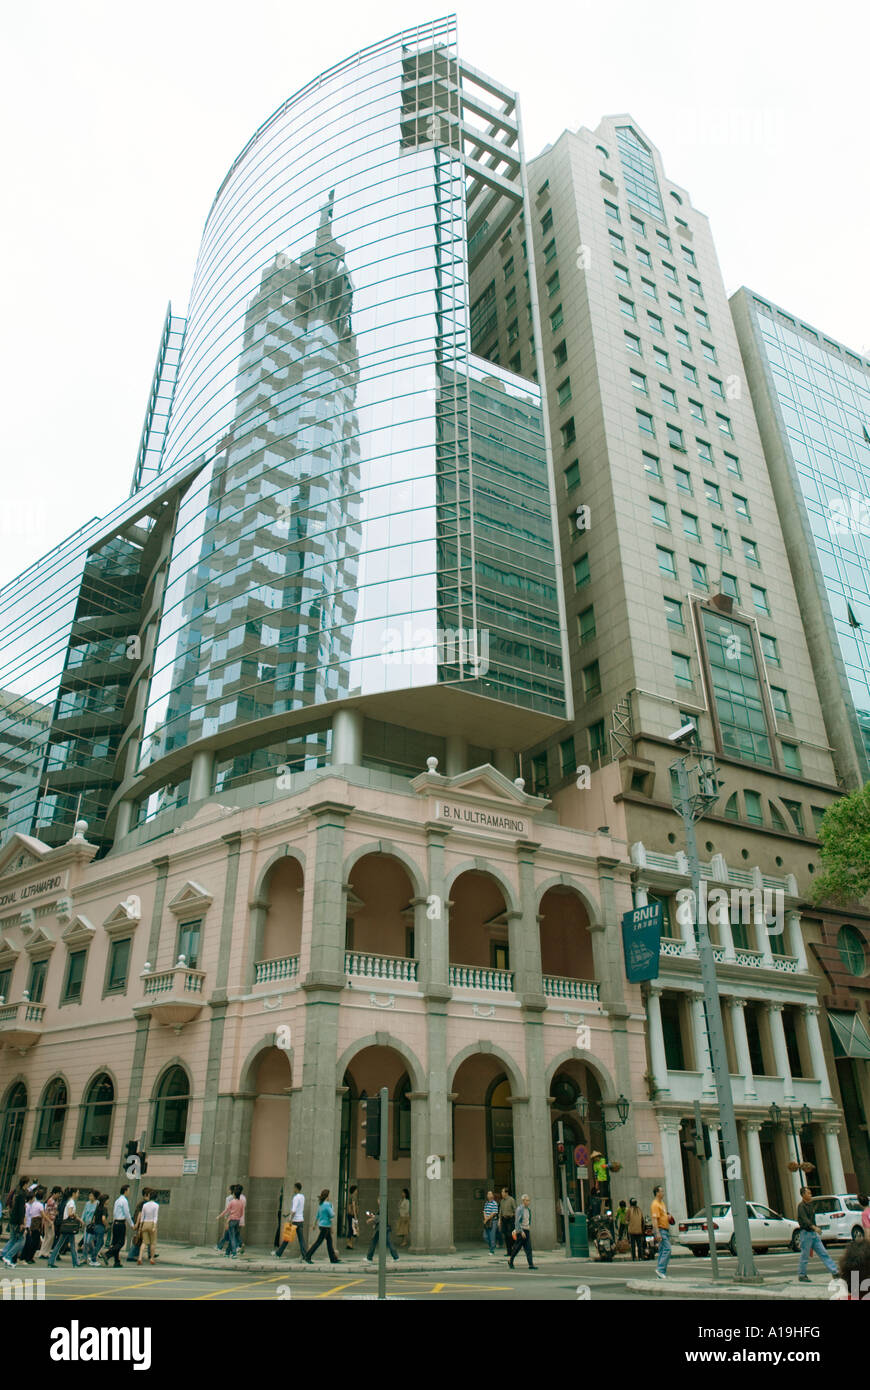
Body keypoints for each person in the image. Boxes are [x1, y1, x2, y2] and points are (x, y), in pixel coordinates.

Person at [796, 1186, 837, 1282]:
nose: (810, 1195)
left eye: (810, 1193)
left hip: (813, 1234)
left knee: (823, 1253)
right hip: (805, 1233)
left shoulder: (811, 1205)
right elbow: (805, 1220)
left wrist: (815, 1229)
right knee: (805, 1256)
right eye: (808, 1193)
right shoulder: (801, 1206)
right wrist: (814, 1227)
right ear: (803, 1195)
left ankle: (834, 1272)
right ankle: (802, 1275)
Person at [99, 1185, 133, 1267]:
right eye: (128, 1190)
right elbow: (127, 1214)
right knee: (121, 1243)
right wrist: (132, 1224)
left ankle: (117, 1261)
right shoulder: (124, 1201)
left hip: (116, 1223)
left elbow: (114, 1212)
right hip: (121, 1223)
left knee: (115, 1243)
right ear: (125, 1191)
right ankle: (107, 1254)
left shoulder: (117, 1200)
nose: (129, 1192)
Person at [304, 1190, 341, 1264]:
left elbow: (317, 1215)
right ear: (327, 1196)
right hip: (325, 1226)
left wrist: (314, 1224)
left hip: (322, 1225)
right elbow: (332, 1215)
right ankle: (307, 1256)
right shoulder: (327, 1204)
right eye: (329, 1195)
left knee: (329, 1242)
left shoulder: (321, 1204)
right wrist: (332, 1208)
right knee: (318, 1242)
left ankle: (333, 1258)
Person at [1, 1176, 31, 1266]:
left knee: (13, 1239)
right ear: (25, 1184)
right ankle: (8, 1256)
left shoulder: (16, 1192)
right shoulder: (22, 1194)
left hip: (13, 1219)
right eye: (28, 1183)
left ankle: (3, 1254)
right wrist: (22, 1223)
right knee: (21, 1240)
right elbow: (21, 1210)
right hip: (18, 1221)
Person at [48, 1188, 81, 1268]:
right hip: (69, 1226)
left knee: (60, 1244)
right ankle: (75, 1263)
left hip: (65, 1225)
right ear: (73, 1193)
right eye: (77, 1193)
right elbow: (70, 1213)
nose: (78, 1194)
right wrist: (78, 1218)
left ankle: (51, 1261)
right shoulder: (71, 1202)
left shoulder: (69, 1201)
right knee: (71, 1244)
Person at [275, 1181, 308, 1260]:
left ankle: (279, 1253)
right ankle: (305, 1255)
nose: (293, 1189)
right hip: (301, 1220)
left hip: (295, 1220)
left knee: (287, 1238)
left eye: (294, 1188)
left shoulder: (296, 1198)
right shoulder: (302, 1197)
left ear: (296, 1188)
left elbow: (294, 1210)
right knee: (301, 1239)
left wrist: (290, 1219)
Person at [508, 1193, 537, 1270]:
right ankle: (510, 1260)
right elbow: (517, 1221)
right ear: (523, 1201)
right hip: (521, 1231)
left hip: (527, 1230)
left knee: (528, 1248)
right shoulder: (519, 1209)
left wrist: (528, 1227)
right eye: (527, 1200)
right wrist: (521, 1231)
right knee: (517, 1248)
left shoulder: (528, 1210)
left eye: (529, 1200)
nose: (528, 1202)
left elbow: (528, 1220)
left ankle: (531, 1264)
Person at [651, 1185, 672, 1280]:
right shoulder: (655, 1204)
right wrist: (657, 1232)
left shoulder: (662, 1203)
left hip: (665, 1229)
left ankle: (660, 1272)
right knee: (667, 1249)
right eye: (661, 1191)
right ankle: (660, 1269)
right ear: (657, 1193)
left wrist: (668, 1217)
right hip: (661, 1230)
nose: (663, 1193)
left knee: (662, 1250)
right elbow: (654, 1219)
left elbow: (664, 1215)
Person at [21, 1186, 46, 1264]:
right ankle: (27, 1257)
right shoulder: (39, 1205)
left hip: (30, 1223)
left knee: (30, 1241)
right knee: (33, 1242)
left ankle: (27, 1257)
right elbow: (42, 1216)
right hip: (34, 1224)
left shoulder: (32, 1204)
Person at [217, 1189, 244, 1258]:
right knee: (232, 1236)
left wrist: (219, 1216)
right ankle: (227, 1252)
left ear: (234, 1195)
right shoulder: (241, 1203)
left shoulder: (232, 1202)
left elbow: (226, 1211)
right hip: (237, 1221)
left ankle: (234, 1253)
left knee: (232, 1238)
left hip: (231, 1220)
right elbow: (241, 1213)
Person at [38, 1187, 62, 1259]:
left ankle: (43, 1252)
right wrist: (49, 1221)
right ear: (54, 1193)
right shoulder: (51, 1201)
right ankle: (44, 1253)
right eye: (58, 1194)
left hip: (50, 1220)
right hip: (49, 1221)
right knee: (50, 1237)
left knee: (48, 1237)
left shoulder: (53, 1201)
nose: (58, 1195)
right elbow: (47, 1212)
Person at [85, 1193, 108, 1266]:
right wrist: (106, 1225)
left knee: (98, 1243)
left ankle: (93, 1255)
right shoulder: (104, 1208)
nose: (108, 1201)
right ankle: (93, 1259)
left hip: (95, 1226)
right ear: (105, 1200)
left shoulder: (97, 1207)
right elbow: (103, 1218)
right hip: (100, 1227)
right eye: (107, 1200)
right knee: (99, 1243)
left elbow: (94, 1218)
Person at [136, 1191, 159, 1266]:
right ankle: (152, 1258)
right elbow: (155, 1216)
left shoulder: (145, 1205)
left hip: (145, 1224)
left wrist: (140, 1227)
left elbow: (142, 1216)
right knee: (152, 1243)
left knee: (144, 1242)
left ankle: (140, 1258)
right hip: (152, 1223)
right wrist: (154, 1226)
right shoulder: (156, 1205)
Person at [499, 1188, 517, 1257]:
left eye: (502, 1192)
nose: (502, 1193)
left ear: (506, 1193)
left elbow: (515, 1209)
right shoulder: (502, 1201)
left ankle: (513, 1248)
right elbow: (500, 1211)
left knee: (510, 1235)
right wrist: (499, 1220)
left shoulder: (511, 1200)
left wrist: (515, 1220)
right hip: (504, 1219)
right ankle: (508, 1251)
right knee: (506, 1236)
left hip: (510, 1219)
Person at [79, 1190, 98, 1255]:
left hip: (92, 1225)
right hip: (87, 1224)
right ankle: (84, 1257)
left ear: (95, 1197)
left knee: (88, 1241)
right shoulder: (87, 1203)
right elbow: (84, 1212)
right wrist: (81, 1220)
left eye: (91, 1196)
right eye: (89, 1196)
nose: (90, 1197)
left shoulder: (97, 1203)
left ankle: (94, 1254)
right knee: (85, 1242)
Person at [345, 1184, 359, 1251]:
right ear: (354, 1190)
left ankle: (349, 1243)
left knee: (351, 1229)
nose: (357, 1191)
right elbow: (353, 1205)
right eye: (356, 1190)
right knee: (352, 1229)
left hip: (350, 1214)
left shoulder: (350, 1196)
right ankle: (349, 1244)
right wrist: (355, 1215)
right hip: (352, 1214)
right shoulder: (354, 1196)